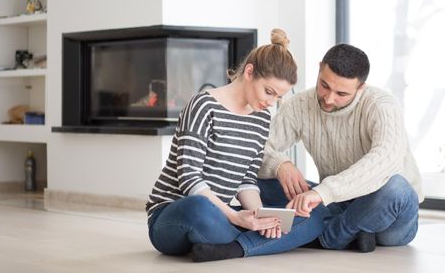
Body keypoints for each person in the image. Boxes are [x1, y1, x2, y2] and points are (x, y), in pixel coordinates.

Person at [146, 29, 326, 262]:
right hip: (175, 214)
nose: (270, 102)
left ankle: (234, 247)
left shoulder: (261, 119)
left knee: (316, 216)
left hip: (223, 214)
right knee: (199, 208)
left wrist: (261, 217)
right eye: (268, 92)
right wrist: (236, 217)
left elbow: (246, 180)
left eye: (277, 98)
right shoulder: (204, 105)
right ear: (249, 72)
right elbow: (189, 178)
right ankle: (263, 242)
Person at [258, 43, 424, 253]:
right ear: (319, 69)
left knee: (397, 188)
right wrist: (279, 164)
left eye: (341, 93)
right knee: (259, 179)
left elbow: (386, 160)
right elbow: (257, 148)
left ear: (361, 87)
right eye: (324, 85)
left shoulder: (382, 105)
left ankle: (327, 238)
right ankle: (355, 230)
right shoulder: (299, 105)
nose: (329, 99)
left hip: (386, 213)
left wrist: (322, 192)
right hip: (338, 202)